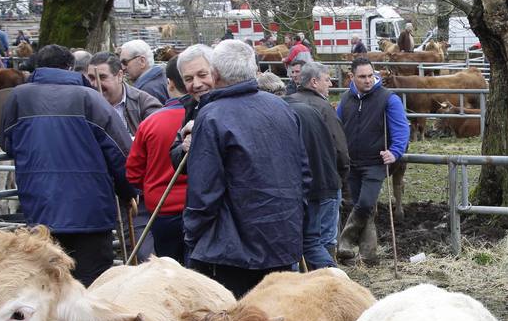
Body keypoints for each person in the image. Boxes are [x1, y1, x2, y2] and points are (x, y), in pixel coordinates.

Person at [0, 44, 134, 286]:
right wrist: (128, 190)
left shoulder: (19, 97)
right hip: (90, 209)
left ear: (37, 67)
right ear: (71, 67)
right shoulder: (89, 98)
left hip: (41, 207)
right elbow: (120, 150)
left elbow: (6, 142)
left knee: (50, 283)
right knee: (91, 284)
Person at [184, 39, 310, 297]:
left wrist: (193, 236)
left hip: (230, 254)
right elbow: (304, 174)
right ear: (254, 71)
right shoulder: (282, 108)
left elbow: (204, 191)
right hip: (281, 241)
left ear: (215, 74)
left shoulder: (211, 116)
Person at [336, 56, 409, 263]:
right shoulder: (345, 99)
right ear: (352, 77)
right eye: (362, 77)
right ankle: (368, 256)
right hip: (352, 162)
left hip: (376, 162)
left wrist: (395, 152)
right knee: (362, 207)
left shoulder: (388, 99)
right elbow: (338, 127)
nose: (368, 80)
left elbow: (402, 128)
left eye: (371, 75)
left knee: (366, 203)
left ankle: (345, 240)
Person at [126, 50, 194, 263]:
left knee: (171, 268)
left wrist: (148, 186)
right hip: (200, 207)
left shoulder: (151, 123)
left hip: (163, 210)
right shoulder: (210, 116)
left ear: (170, 83)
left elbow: (133, 172)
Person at [288, 60, 349, 266]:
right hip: (324, 182)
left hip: (297, 186)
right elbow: (340, 148)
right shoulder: (323, 107)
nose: (331, 84)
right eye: (327, 79)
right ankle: (331, 280)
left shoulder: (287, 103)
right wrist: (342, 175)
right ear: (314, 82)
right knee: (322, 241)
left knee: (302, 241)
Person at [85, 52, 162, 136]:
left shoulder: (144, 103)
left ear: (119, 76)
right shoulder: (84, 105)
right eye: (91, 78)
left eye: (102, 77)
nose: (96, 84)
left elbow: (159, 139)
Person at [118, 39, 170, 104]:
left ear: (142, 61)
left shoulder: (148, 90)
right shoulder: (160, 80)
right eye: (120, 63)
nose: (122, 68)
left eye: (125, 62)